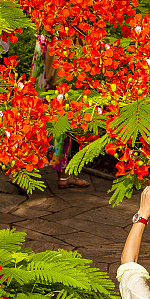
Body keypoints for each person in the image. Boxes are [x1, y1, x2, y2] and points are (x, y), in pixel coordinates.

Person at [31, 36, 89, 188]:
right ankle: (23, 173)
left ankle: (62, 176)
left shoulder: (47, 30)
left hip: (44, 77)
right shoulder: (64, 30)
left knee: (45, 124)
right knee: (58, 124)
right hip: (55, 79)